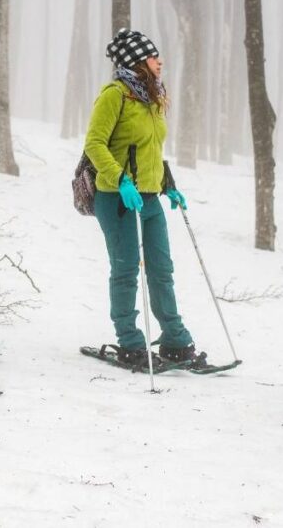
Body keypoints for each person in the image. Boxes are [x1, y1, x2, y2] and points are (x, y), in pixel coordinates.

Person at [83, 28, 201, 369]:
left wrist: (169, 184)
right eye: (153, 56)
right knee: (125, 271)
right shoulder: (114, 94)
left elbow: (150, 151)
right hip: (118, 199)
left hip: (150, 199)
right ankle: (130, 342)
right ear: (137, 62)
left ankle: (175, 339)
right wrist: (120, 180)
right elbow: (95, 144)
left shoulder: (152, 98)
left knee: (162, 270)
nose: (159, 61)